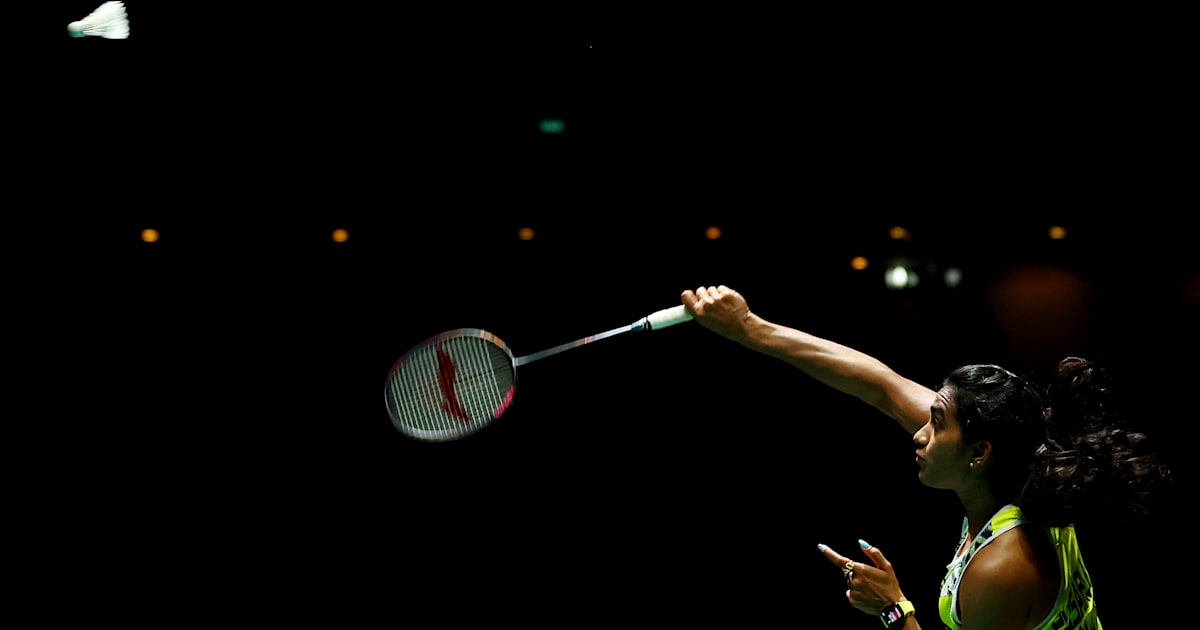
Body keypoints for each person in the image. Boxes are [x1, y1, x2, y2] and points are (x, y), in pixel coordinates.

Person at [681, 284, 1171, 630]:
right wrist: (749, 327)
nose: (918, 434)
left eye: (936, 422)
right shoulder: (1024, 466)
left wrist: (895, 608)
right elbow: (877, 383)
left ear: (979, 453)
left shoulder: (1003, 569)